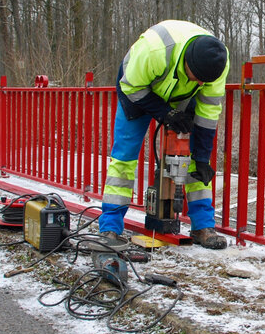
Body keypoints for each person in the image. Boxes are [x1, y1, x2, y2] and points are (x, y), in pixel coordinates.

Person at [97, 20, 229, 250]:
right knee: (124, 159)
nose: (201, 83)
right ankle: (110, 227)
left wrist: (201, 156)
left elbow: (208, 114)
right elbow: (131, 86)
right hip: (138, 89)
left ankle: (203, 226)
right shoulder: (155, 51)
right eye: (197, 77)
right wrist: (166, 113)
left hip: (182, 93)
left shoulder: (217, 63)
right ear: (188, 61)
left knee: (198, 164)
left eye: (204, 82)